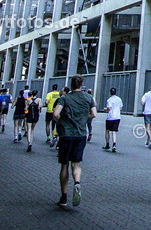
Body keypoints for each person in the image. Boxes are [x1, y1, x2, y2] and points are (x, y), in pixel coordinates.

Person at [52, 75, 96, 207]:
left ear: (71, 85)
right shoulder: (89, 98)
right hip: (81, 134)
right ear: (82, 85)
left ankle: (64, 196)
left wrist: (61, 118)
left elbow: (55, 114)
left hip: (66, 134)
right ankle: (77, 183)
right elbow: (94, 114)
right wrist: (83, 117)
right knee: (76, 164)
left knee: (64, 165)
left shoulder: (64, 98)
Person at [101, 87, 123, 152]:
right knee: (114, 131)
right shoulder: (119, 99)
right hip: (117, 117)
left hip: (110, 117)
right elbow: (120, 108)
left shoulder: (109, 100)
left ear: (110, 93)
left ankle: (107, 144)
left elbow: (109, 108)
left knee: (107, 130)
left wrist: (105, 109)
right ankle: (114, 144)